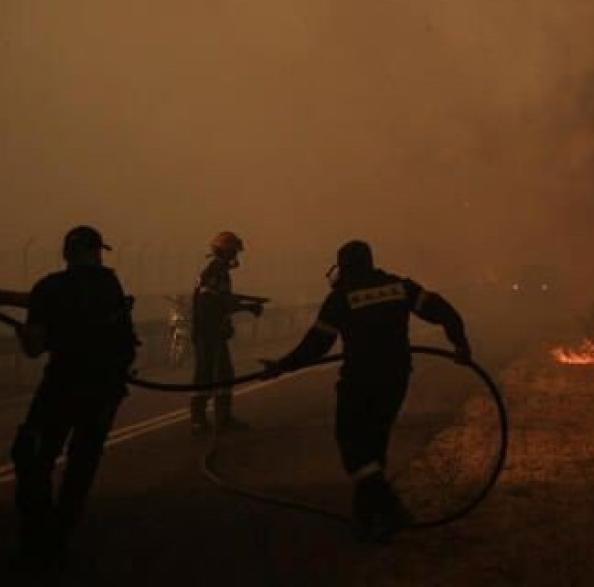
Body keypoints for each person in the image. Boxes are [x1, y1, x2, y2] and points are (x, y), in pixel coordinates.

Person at [264, 240, 472, 541]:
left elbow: (316, 346)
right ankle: (367, 521)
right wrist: (461, 344)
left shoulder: (341, 298)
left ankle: (388, 509)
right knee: (374, 446)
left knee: (351, 445)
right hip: (396, 379)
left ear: (344, 267)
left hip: (359, 381)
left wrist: (282, 366)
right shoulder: (399, 287)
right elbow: (445, 312)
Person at [0, 226, 138, 566]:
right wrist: (5, 297)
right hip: (103, 391)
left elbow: (35, 347)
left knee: (32, 456)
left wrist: (23, 331)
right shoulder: (109, 285)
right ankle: (58, 535)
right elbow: (69, 302)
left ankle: (37, 536)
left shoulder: (51, 287)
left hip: (62, 388)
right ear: (96, 253)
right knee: (81, 465)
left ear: (67, 254)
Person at [189, 231, 265, 433]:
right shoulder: (215, 272)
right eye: (233, 251)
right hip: (207, 334)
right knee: (205, 374)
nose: (235, 256)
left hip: (214, 332)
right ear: (224, 251)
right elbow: (214, 303)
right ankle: (199, 418)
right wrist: (247, 307)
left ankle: (223, 417)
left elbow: (221, 299)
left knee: (223, 374)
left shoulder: (218, 271)